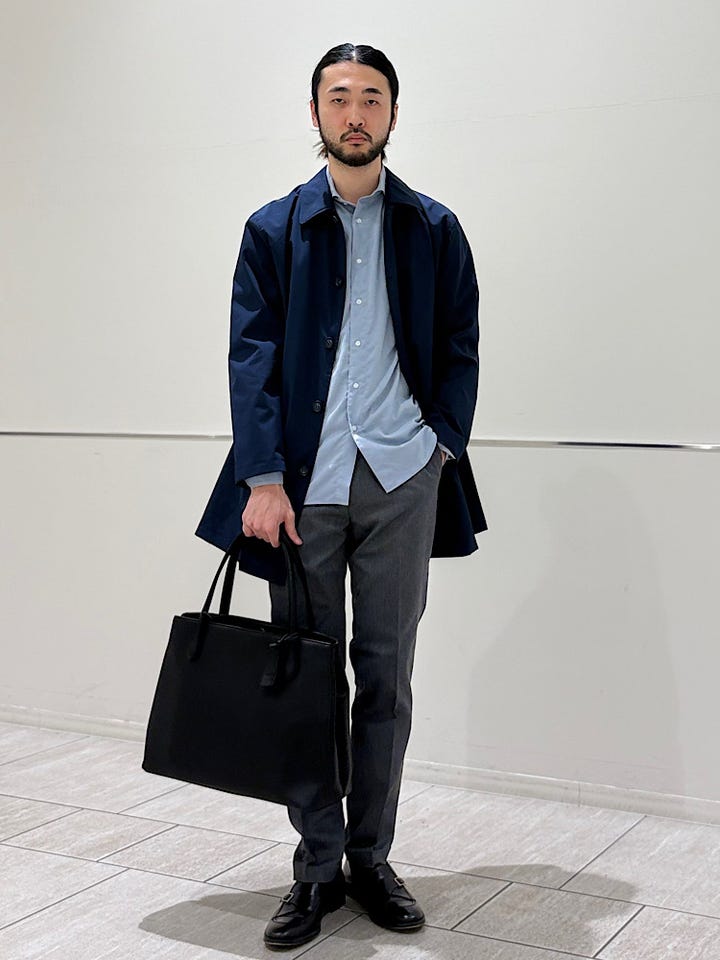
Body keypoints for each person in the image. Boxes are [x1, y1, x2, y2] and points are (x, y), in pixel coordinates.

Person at [194, 41, 487, 950]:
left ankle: (371, 858)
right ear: (315, 111)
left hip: (402, 477)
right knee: (309, 682)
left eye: (371, 98)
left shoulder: (433, 228)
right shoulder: (273, 229)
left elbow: (461, 345)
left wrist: (439, 447)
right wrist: (263, 477)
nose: (355, 114)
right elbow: (251, 359)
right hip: (301, 488)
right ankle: (316, 866)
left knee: (387, 677)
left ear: (393, 113)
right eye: (338, 97)